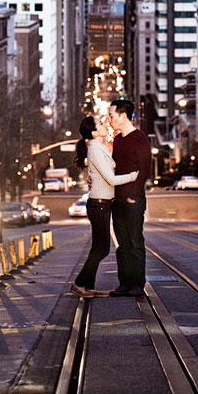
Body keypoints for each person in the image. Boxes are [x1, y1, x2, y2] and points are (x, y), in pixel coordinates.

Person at [71, 113, 139, 299]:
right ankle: (79, 283)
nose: (104, 124)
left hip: (102, 204)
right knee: (101, 248)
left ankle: (87, 286)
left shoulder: (99, 147)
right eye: (100, 123)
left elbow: (108, 171)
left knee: (98, 247)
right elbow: (111, 179)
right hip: (99, 205)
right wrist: (134, 175)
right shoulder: (95, 150)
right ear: (94, 133)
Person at [108, 98, 152, 297]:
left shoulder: (140, 139)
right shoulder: (117, 139)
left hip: (133, 200)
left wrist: (133, 195)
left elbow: (144, 171)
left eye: (112, 115)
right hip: (117, 199)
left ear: (123, 115)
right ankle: (124, 284)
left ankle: (137, 285)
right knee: (122, 244)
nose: (110, 120)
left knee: (135, 242)